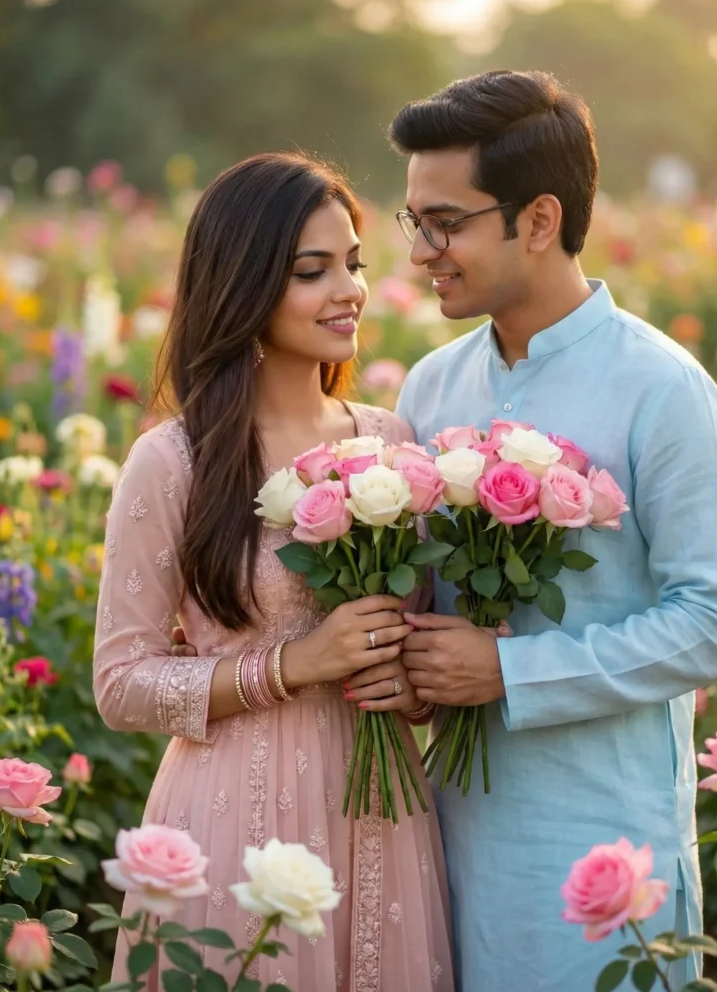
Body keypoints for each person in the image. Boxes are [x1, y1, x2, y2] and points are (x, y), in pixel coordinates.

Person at [389, 70, 717, 991]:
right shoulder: (430, 387)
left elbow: (715, 622)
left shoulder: (662, 390)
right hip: (449, 824)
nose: (422, 251)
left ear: (539, 220)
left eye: (446, 223)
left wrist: (509, 671)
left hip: (599, 844)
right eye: (414, 223)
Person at [92, 151, 454, 992]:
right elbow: (119, 683)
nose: (349, 290)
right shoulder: (175, 460)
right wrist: (291, 665)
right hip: (236, 816)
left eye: (354, 264)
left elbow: (419, 641)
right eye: (311, 270)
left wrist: (416, 684)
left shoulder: (392, 442)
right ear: (244, 283)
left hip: (385, 810)